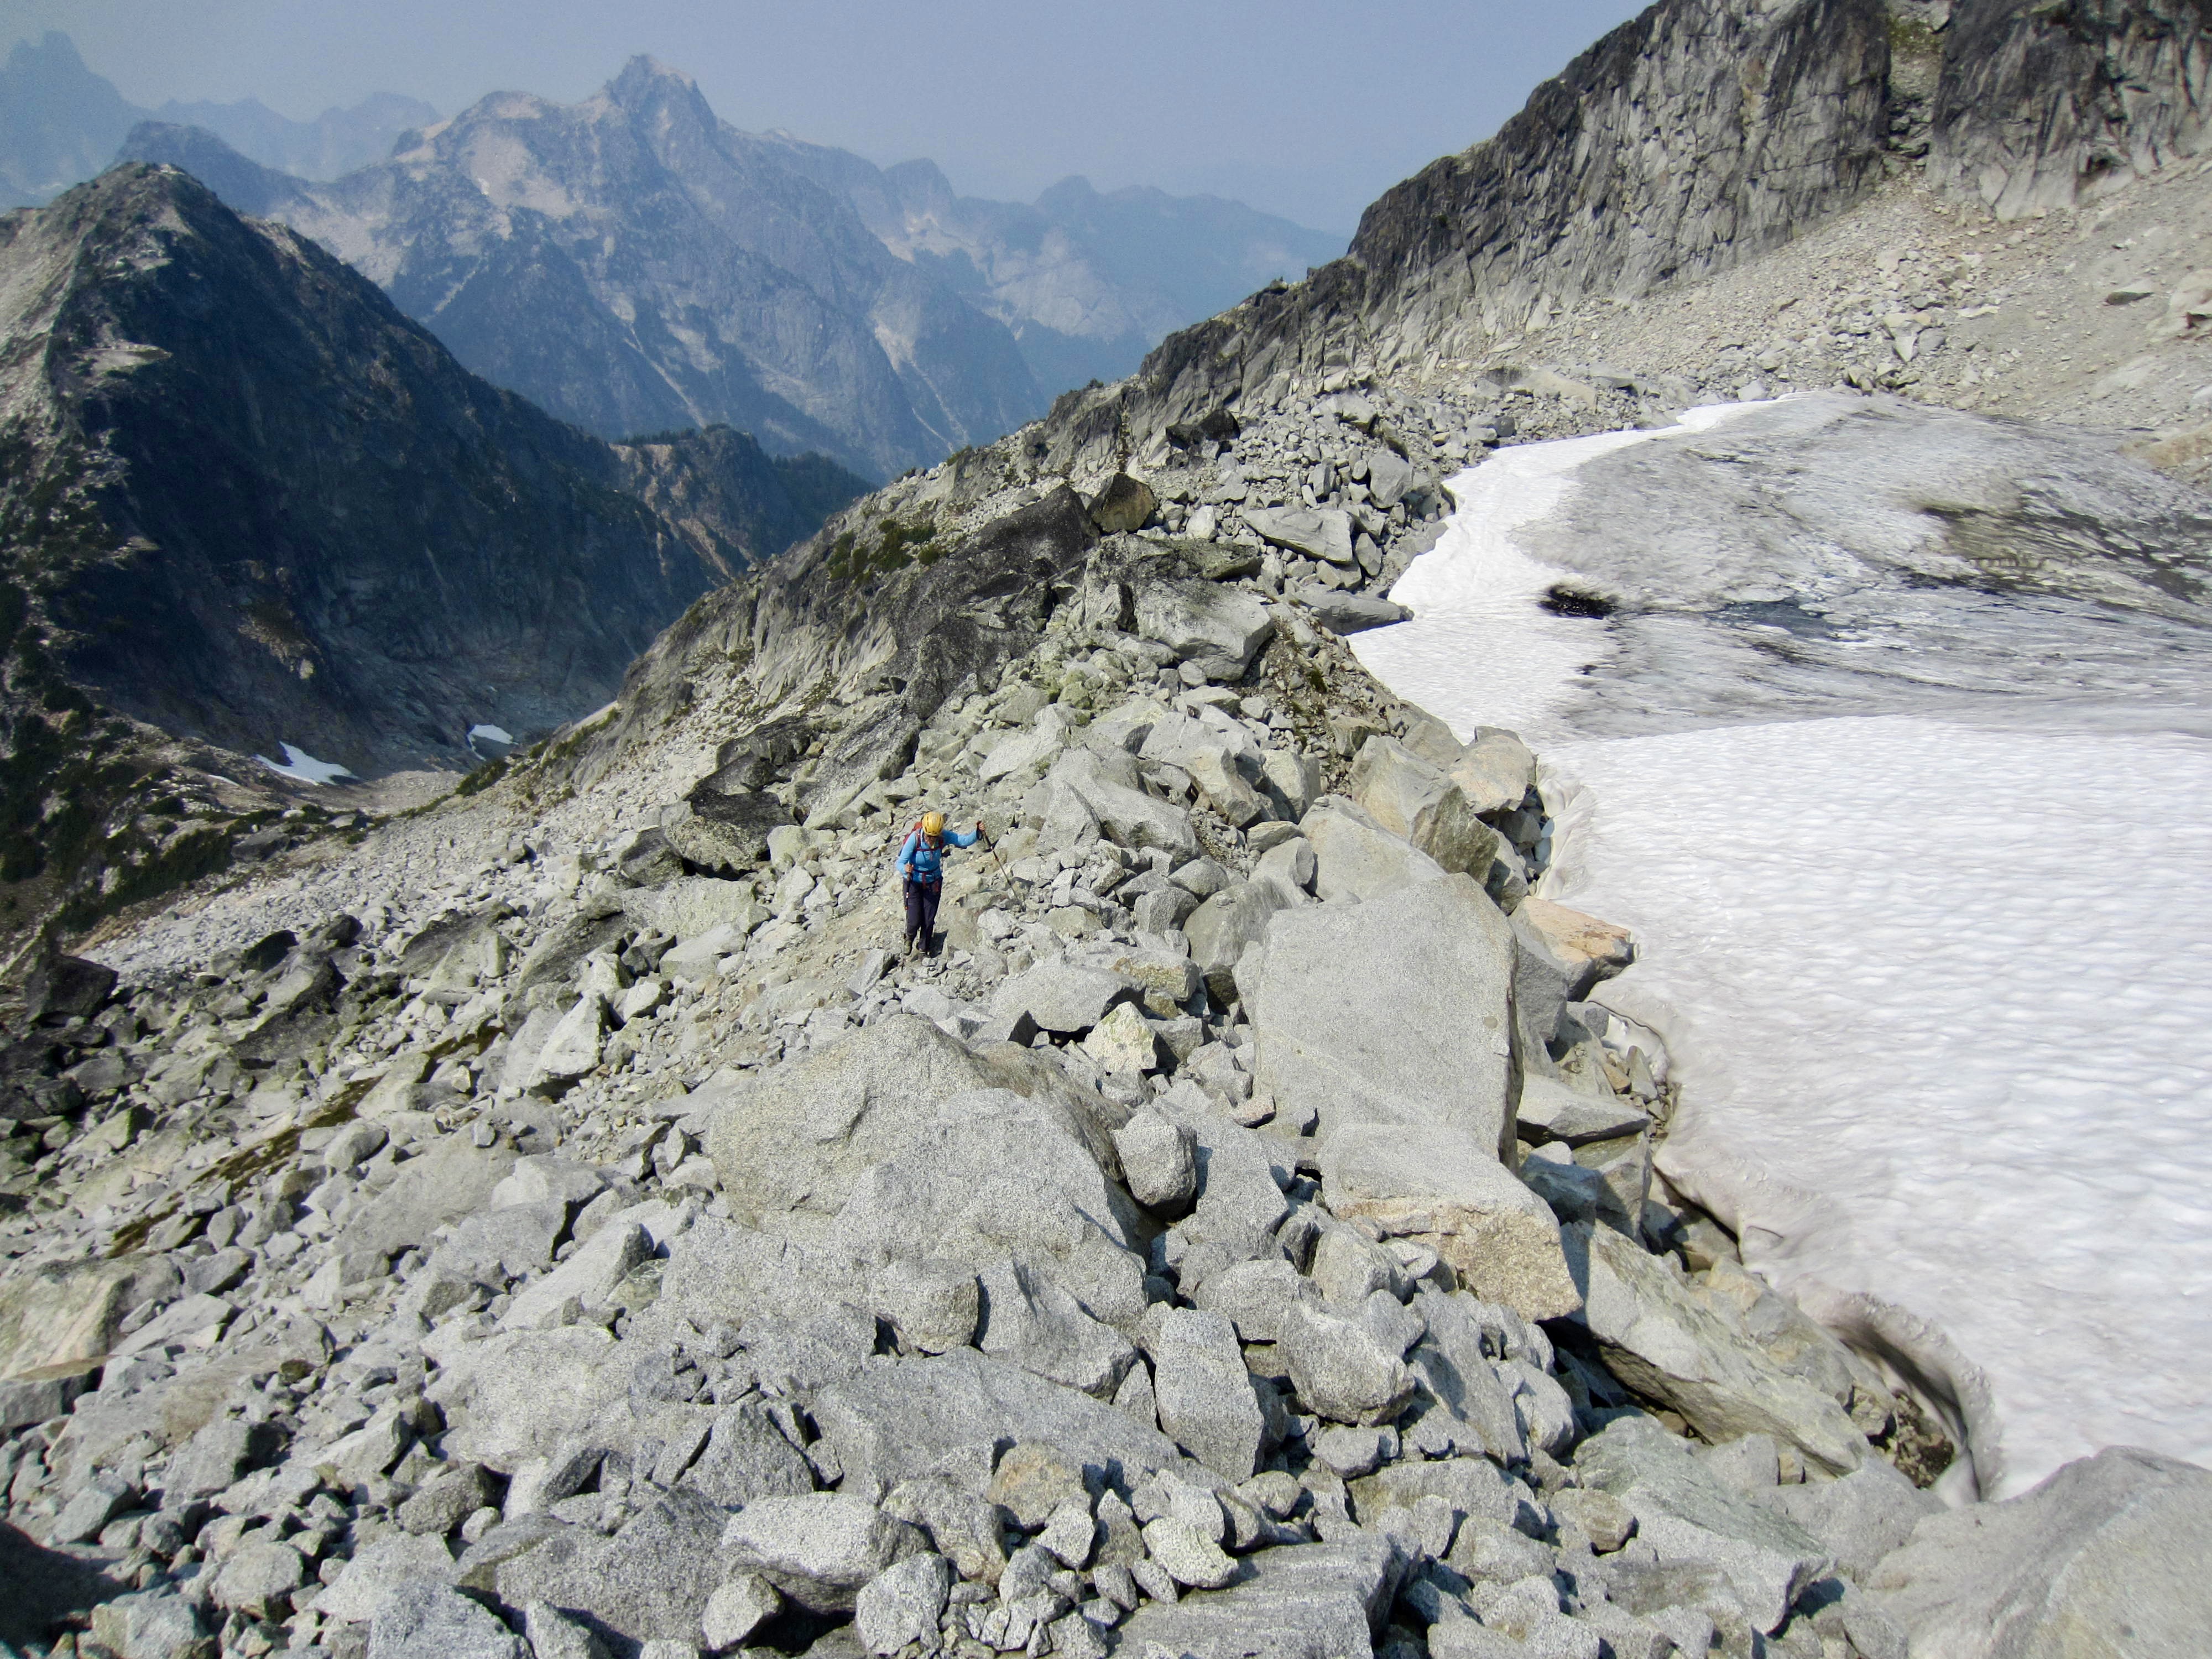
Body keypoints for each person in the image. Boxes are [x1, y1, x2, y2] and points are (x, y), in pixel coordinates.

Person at [895, 810, 983, 957]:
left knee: (929, 919)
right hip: (914, 882)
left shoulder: (943, 836)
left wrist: (977, 832)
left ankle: (923, 947)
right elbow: (900, 862)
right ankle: (909, 938)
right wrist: (905, 869)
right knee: (914, 919)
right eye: (929, 836)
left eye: (934, 837)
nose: (931, 840)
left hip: (933, 882)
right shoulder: (915, 838)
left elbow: (963, 841)